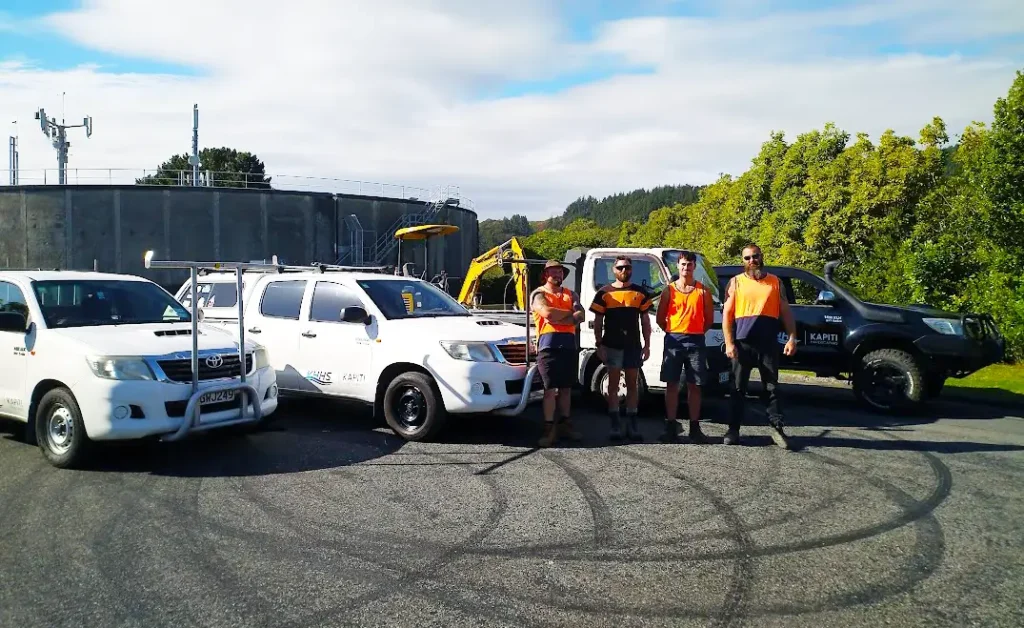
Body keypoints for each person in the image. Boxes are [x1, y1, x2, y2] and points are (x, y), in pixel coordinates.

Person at [721, 244, 796, 448]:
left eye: (755, 256)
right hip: (742, 345)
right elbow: (727, 315)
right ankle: (733, 430)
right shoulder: (735, 282)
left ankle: (777, 429)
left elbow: (786, 312)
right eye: (747, 258)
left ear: (761, 257)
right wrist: (729, 343)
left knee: (772, 388)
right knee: (737, 389)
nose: (751, 260)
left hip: (768, 344)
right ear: (742, 261)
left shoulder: (775, 282)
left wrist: (791, 337)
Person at [590, 255, 653, 441]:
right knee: (613, 386)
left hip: (633, 346)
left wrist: (647, 345)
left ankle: (632, 424)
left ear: (631, 269)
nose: (623, 271)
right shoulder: (604, 293)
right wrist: (599, 344)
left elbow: (645, 321)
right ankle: (615, 424)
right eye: (620, 268)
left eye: (627, 267)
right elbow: (598, 321)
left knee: (633, 385)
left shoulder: (640, 293)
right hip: (612, 346)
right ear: (614, 270)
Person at [655, 251, 713, 444]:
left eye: (689, 264)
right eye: (682, 264)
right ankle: (671, 426)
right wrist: (673, 331)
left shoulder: (703, 291)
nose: (686, 268)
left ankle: (695, 428)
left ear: (694, 266)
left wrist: (695, 332)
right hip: (674, 340)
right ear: (677, 267)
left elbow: (709, 320)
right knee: (671, 384)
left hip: (696, 341)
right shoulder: (668, 291)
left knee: (694, 385)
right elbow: (660, 318)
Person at [531, 259, 586, 447]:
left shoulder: (572, 294)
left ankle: (564, 424)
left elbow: (581, 315)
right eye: (553, 271)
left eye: (560, 272)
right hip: (548, 346)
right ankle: (548, 428)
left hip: (568, 345)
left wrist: (560, 318)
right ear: (545, 275)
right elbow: (546, 313)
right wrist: (569, 316)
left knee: (566, 389)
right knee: (549, 390)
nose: (557, 275)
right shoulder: (538, 294)